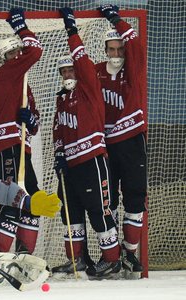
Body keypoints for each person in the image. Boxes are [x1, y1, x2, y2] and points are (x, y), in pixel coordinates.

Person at [51, 8, 121, 279]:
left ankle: (112, 260)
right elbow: (59, 130)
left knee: (99, 211)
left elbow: (81, 59)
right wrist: (59, 154)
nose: (68, 72)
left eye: (72, 68)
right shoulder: (61, 98)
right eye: (64, 70)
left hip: (91, 159)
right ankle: (77, 259)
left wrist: (72, 31)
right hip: (70, 163)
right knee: (70, 211)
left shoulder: (89, 85)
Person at [95, 4, 147, 278]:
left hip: (131, 141)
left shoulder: (133, 70)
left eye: (120, 49)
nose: (116, 54)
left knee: (136, 198)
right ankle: (111, 255)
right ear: (105, 50)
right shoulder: (94, 71)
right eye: (111, 49)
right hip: (104, 146)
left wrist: (115, 19)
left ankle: (130, 253)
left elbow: (135, 41)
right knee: (108, 201)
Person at [0, 7, 43, 255]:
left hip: (21, 144)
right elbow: (36, 50)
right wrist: (20, 26)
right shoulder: (6, 74)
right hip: (7, 145)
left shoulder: (23, 83)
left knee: (31, 196)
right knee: (12, 196)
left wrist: (30, 118)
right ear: (5, 57)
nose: (18, 55)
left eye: (18, 51)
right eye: (13, 52)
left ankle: (25, 255)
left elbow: (35, 122)